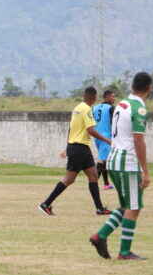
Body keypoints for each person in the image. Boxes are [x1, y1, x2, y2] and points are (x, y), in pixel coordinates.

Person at [89, 72, 153, 260]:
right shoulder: (138, 108)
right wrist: (146, 171)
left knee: (126, 205)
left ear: (133, 86)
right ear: (149, 88)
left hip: (114, 159)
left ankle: (100, 236)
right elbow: (138, 140)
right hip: (128, 162)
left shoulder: (122, 105)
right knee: (134, 207)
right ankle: (123, 251)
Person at [38, 87, 112, 216]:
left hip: (77, 147)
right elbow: (91, 130)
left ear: (84, 96)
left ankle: (100, 208)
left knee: (93, 175)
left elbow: (71, 129)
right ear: (94, 98)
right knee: (69, 179)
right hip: (80, 148)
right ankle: (46, 204)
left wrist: (68, 147)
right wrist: (107, 140)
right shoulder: (87, 110)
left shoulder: (77, 108)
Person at [92, 90, 116, 190]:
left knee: (103, 160)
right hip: (106, 137)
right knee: (103, 161)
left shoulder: (94, 108)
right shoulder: (111, 108)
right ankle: (93, 182)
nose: (114, 99)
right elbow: (113, 122)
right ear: (107, 97)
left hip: (96, 136)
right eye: (113, 96)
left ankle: (106, 183)